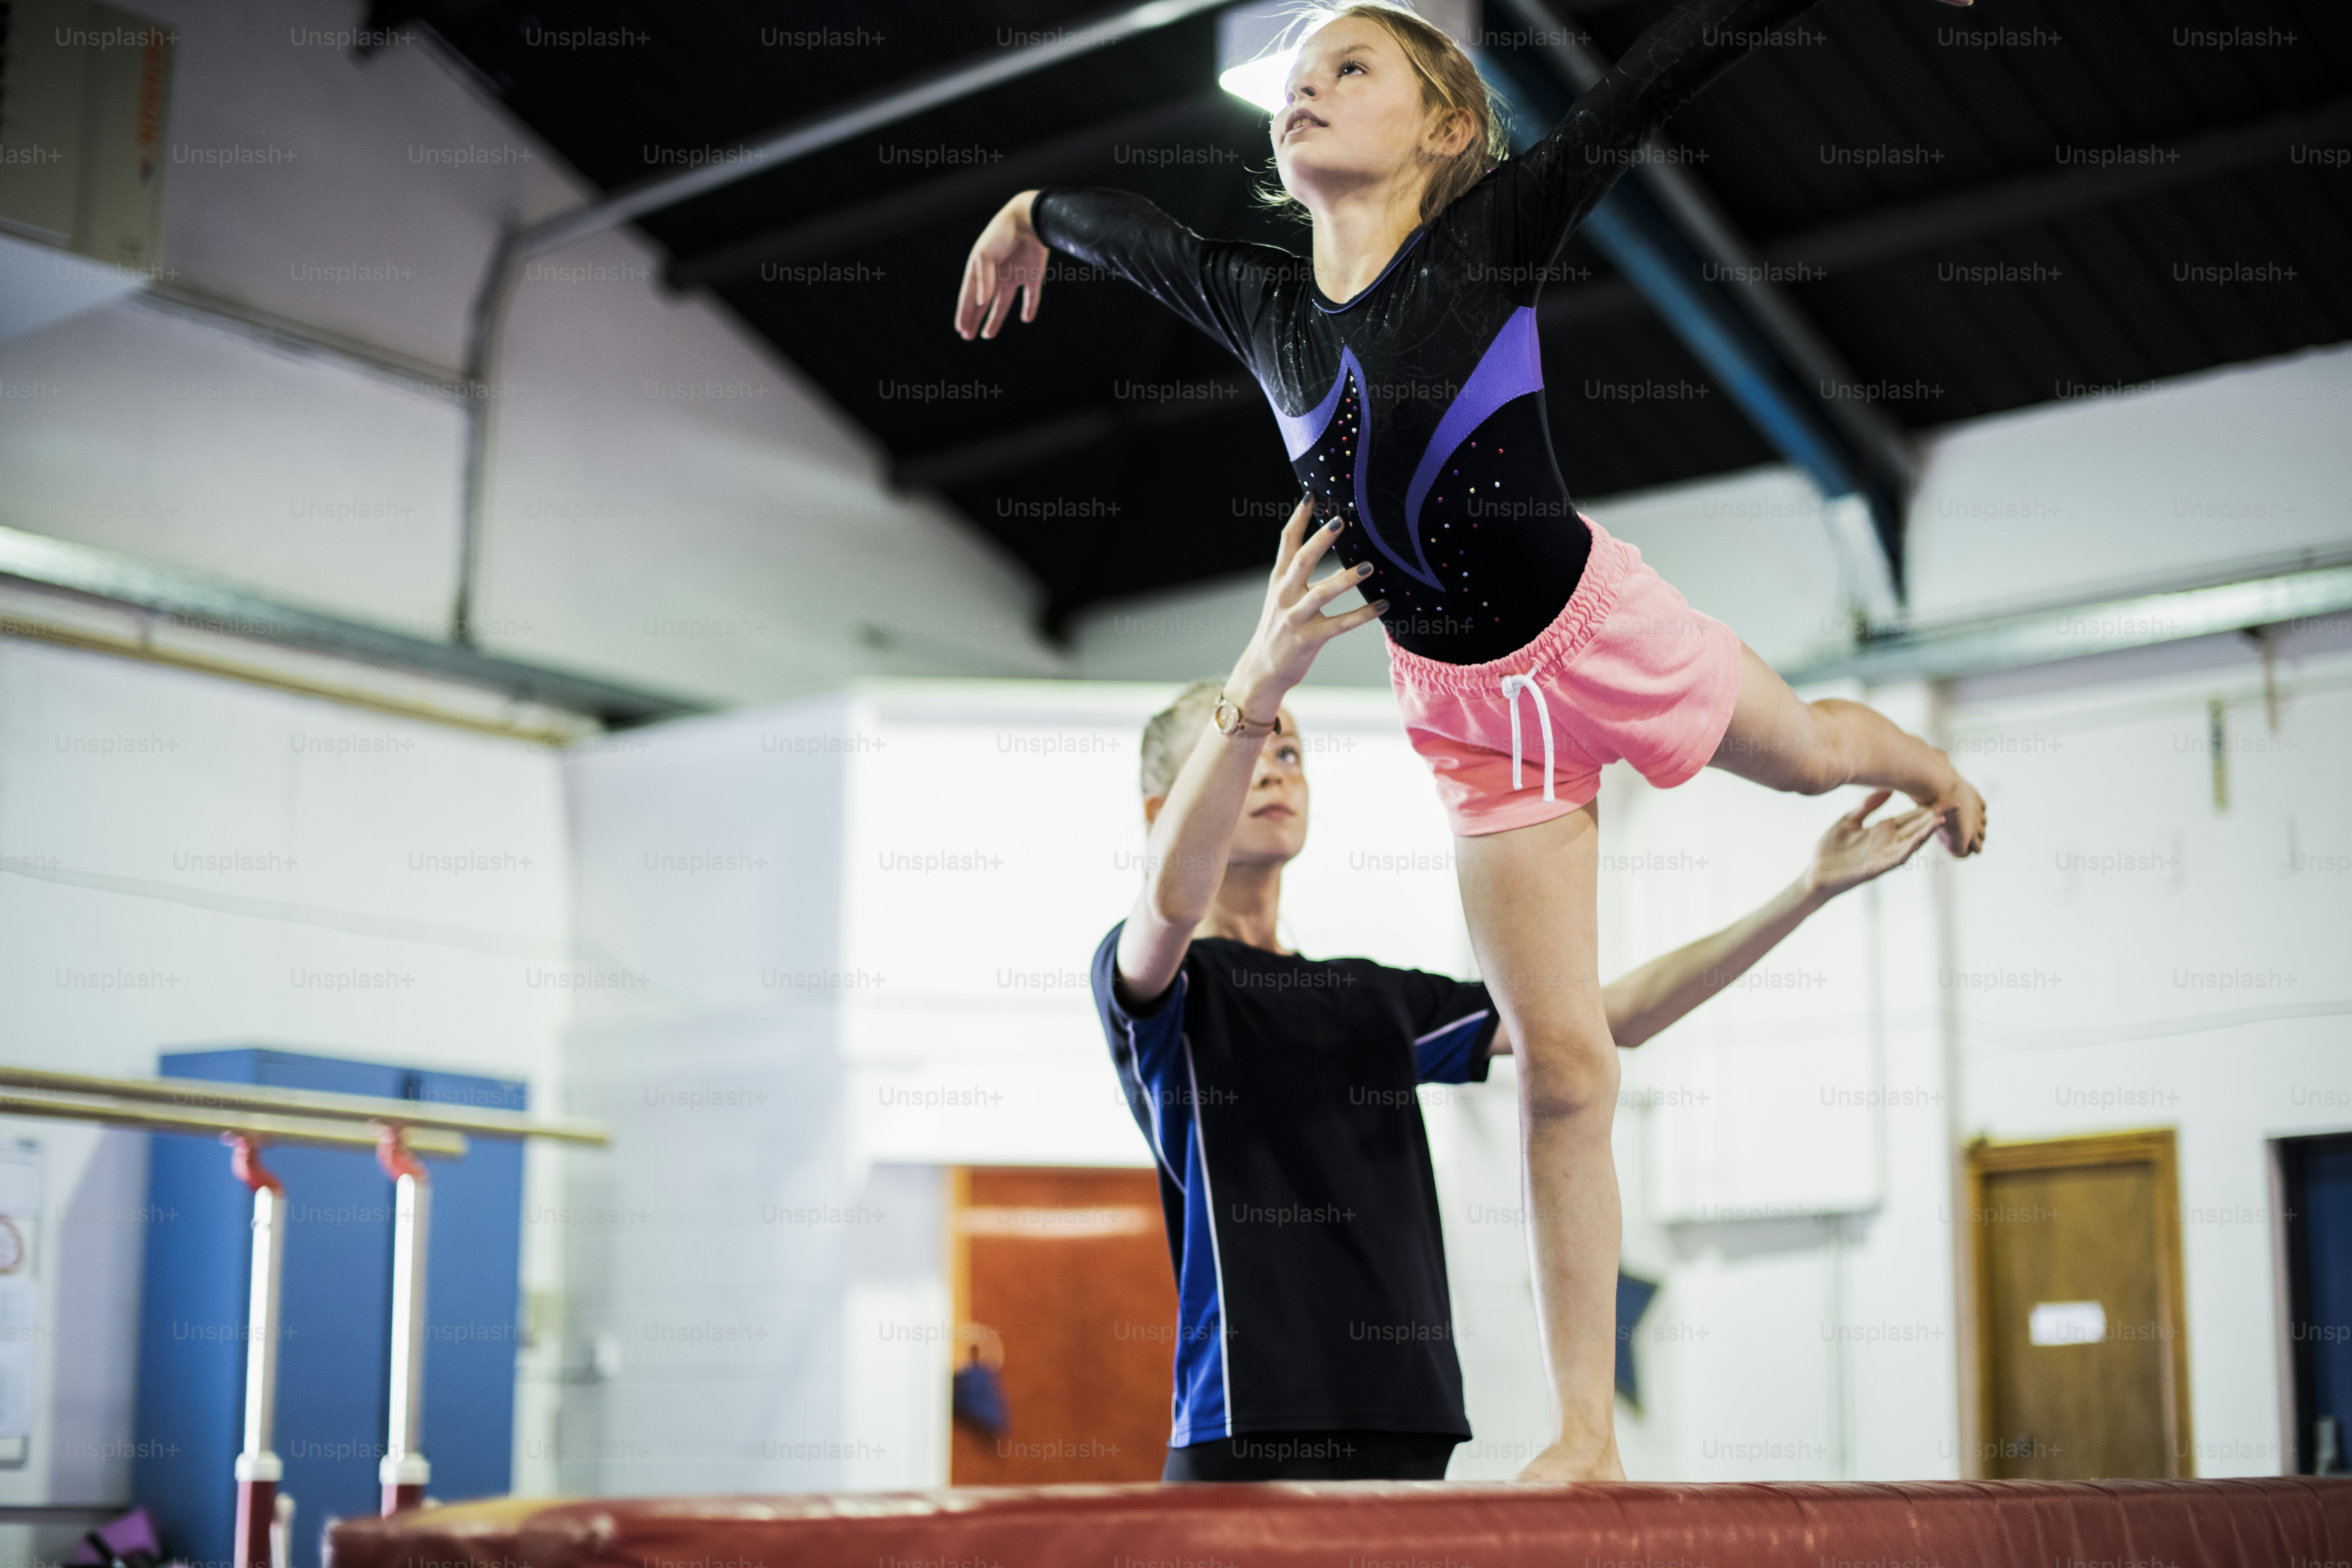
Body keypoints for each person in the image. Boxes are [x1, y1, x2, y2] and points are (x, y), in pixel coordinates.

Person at [963, 0, 1981, 1480]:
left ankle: (1929, 762)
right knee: (1565, 1066)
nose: (1305, 91)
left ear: (1444, 125)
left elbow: (1655, 73)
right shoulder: (1266, 309)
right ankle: (1585, 1431)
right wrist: (1025, 212)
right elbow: (1139, 239)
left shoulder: (1488, 236)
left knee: (1817, 751)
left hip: (1602, 635)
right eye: (1293, 77)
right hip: (1469, 723)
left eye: (1350, 68)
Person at [1092, 498, 1949, 1481]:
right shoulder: (1165, 988)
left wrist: (1804, 894)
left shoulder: (1368, 999)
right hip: (1248, 1422)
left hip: (1405, 1417)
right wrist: (1262, 672)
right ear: (1166, 805)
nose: (1277, 765)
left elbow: (1600, 1022)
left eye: (1291, 750)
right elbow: (1169, 894)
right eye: (1249, 750)